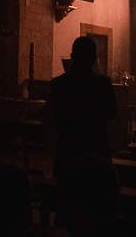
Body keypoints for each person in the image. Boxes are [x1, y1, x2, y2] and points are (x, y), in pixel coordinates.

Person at [50, 36, 117, 180]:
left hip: (67, 150)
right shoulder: (103, 84)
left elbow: (52, 116)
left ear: (72, 57)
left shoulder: (58, 84)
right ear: (94, 59)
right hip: (96, 149)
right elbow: (112, 113)